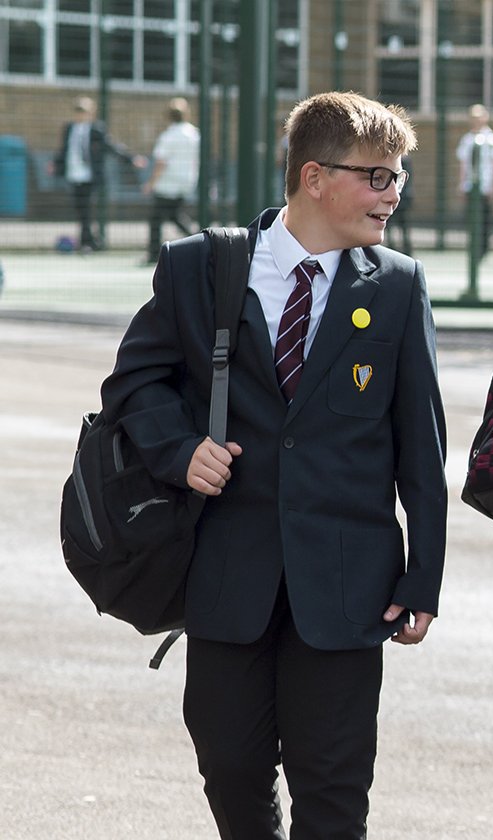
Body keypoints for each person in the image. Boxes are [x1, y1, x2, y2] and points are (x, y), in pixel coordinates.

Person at [99, 91, 443, 839]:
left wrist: (426, 576)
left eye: (398, 177)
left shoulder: (397, 286)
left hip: (351, 583)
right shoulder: (201, 266)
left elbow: (423, 443)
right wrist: (179, 449)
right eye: (376, 176)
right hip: (228, 572)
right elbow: (133, 383)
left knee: (335, 786)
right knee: (232, 767)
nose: (393, 193)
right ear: (314, 177)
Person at [52, 96, 141, 252]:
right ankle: (91, 241)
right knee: (81, 209)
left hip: (89, 176)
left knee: (85, 209)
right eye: (78, 111)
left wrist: (131, 159)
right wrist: (56, 163)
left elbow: (111, 146)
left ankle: (87, 242)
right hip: (74, 174)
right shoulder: (69, 128)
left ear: (90, 113)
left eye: (84, 112)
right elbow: (64, 149)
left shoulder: (96, 129)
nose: (80, 115)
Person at [144, 97, 200, 264]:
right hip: (187, 180)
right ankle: (196, 239)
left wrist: (151, 183)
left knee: (156, 218)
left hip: (167, 183)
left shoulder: (168, 135)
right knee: (174, 214)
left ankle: (155, 253)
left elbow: (161, 162)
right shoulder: (194, 134)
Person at [456, 104, 493, 259]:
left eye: (479, 117)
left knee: (484, 219)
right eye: (473, 117)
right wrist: (462, 185)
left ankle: (483, 250)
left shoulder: (492, 139)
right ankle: (474, 251)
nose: (476, 120)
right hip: (471, 186)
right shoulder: (467, 139)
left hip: (485, 186)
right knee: (471, 219)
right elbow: (463, 165)